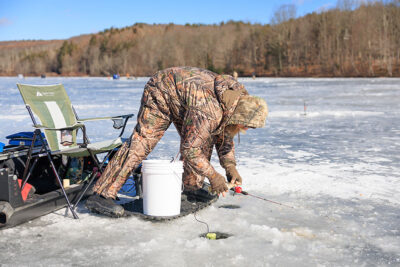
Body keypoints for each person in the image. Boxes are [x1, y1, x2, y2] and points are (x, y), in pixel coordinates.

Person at [86, 66, 268, 217]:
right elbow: (191, 150)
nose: (246, 130)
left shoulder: (238, 100)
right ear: (239, 117)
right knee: (143, 142)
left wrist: (230, 167)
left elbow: (224, 134)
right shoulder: (209, 111)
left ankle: (192, 188)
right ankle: (101, 194)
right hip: (162, 90)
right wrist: (214, 176)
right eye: (247, 126)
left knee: (203, 140)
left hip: (186, 99)